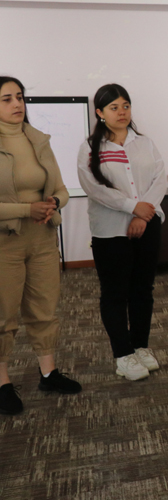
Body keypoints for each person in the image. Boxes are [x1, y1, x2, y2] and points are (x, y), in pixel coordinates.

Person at [0, 76, 82, 415]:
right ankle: (2, 383)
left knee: (44, 309)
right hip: (5, 242)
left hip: (43, 237)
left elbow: (61, 188)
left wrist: (54, 202)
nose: (17, 104)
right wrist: (26, 209)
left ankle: (48, 373)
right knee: (4, 315)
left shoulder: (38, 139)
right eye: (6, 99)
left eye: (20, 97)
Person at [77, 84, 167, 382]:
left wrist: (143, 213)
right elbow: (95, 188)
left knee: (142, 290)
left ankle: (140, 346)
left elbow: (160, 179)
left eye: (126, 106)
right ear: (100, 113)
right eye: (114, 107)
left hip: (147, 225)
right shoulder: (90, 148)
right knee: (115, 293)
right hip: (110, 231)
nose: (122, 112)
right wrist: (132, 207)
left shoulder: (145, 143)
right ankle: (123, 354)